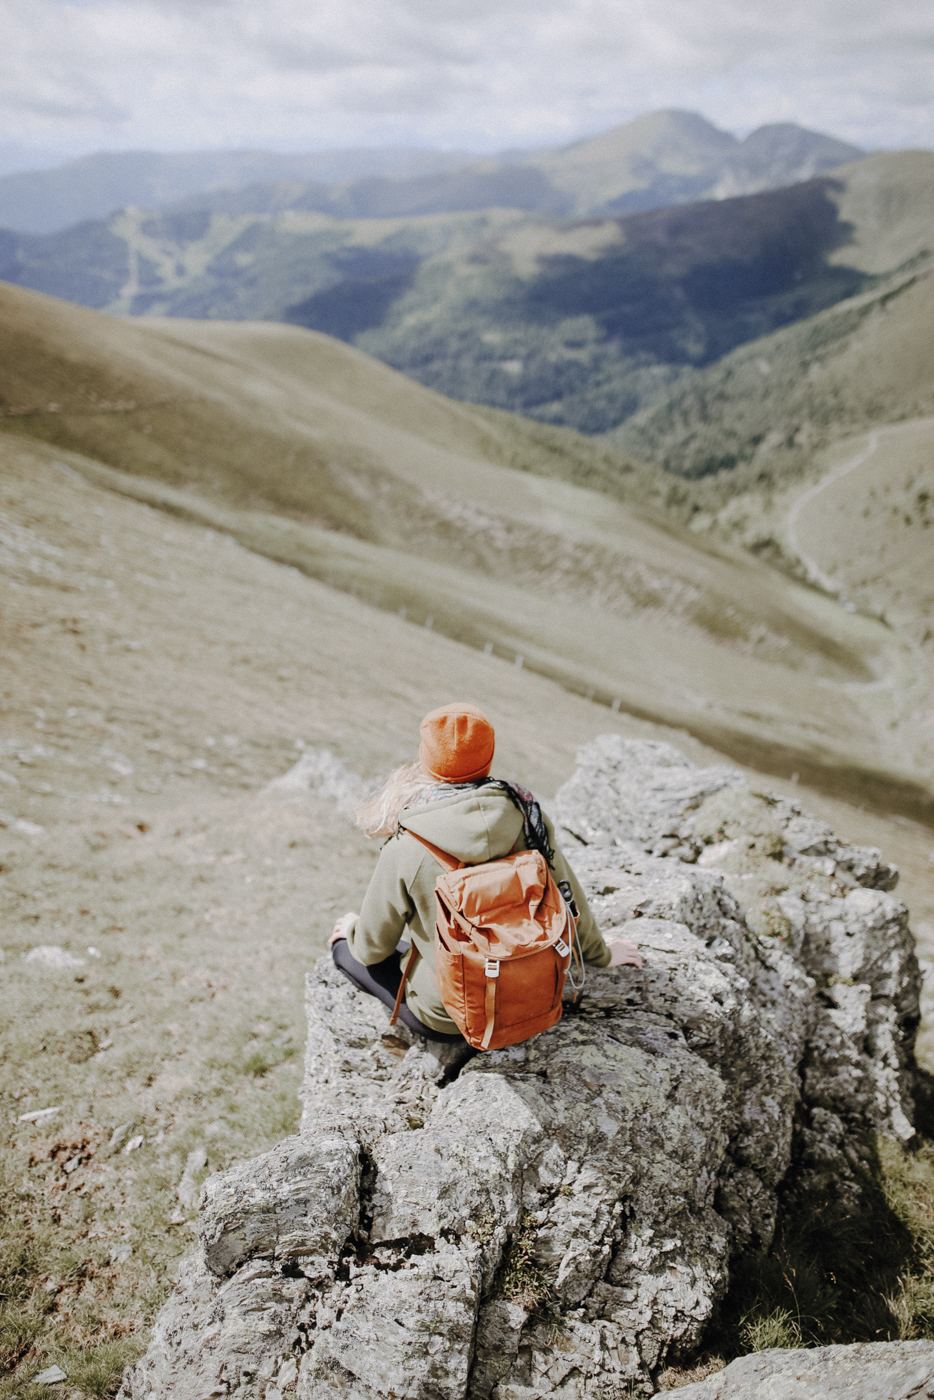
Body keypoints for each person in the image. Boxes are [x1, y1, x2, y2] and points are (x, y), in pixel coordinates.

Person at [329, 702, 642, 1043]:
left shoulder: (407, 844)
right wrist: (602, 954)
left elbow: (373, 948)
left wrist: (353, 932)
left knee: (345, 950)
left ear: (425, 762)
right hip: (530, 999)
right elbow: (568, 895)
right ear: (489, 758)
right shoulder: (526, 815)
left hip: (452, 1019)